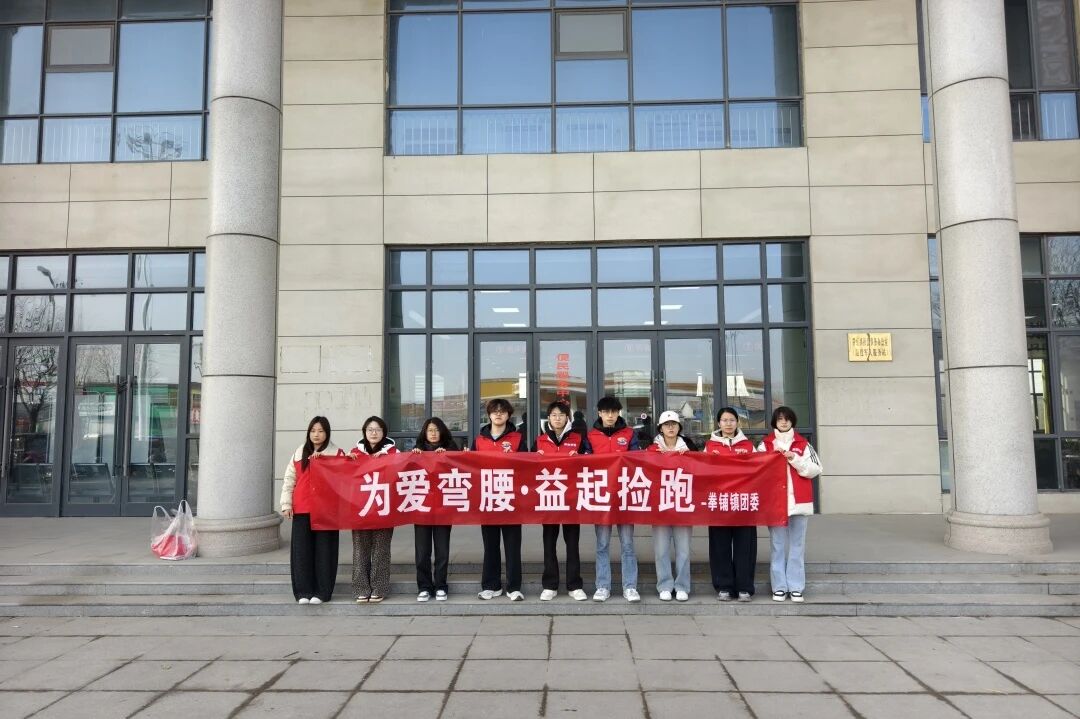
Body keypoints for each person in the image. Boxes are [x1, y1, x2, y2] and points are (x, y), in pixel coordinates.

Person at [758, 406, 822, 603]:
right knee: (777, 546)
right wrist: (772, 458)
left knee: (797, 546)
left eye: (787, 419)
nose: (783, 422)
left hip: (799, 503)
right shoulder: (765, 444)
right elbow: (757, 471)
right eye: (780, 419)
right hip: (775, 504)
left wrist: (793, 458)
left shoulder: (803, 444)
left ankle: (796, 587)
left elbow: (815, 469)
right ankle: (779, 587)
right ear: (775, 422)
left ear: (792, 421)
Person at [280, 416, 345, 605]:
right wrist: (286, 504)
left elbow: (344, 479)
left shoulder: (337, 453)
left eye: (321, 431)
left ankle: (322, 592)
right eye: (313, 431)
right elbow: (289, 479)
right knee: (301, 552)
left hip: (326, 511)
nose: (316, 435)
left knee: (325, 551)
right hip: (302, 508)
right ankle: (303, 591)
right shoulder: (299, 452)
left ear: (327, 433)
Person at [534, 400, 591, 602]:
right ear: (548, 418)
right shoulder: (540, 440)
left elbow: (591, 462)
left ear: (568, 417)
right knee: (549, 543)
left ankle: (574, 585)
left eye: (561, 415)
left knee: (572, 543)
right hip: (548, 498)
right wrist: (535, 458)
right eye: (554, 415)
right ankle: (550, 585)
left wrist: (582, 457)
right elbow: (528, 467)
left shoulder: (578, 438)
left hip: (571, 498)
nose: (557, 418)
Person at [471, 398, 528, 601]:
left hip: (511, 499)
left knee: (513, 547)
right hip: (488, 498)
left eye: (502, 411)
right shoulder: (479, 440)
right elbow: (470, 468)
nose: (498, 414)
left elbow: (526, 467)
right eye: (494, 411)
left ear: (508, 415)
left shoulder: (517, 439)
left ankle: (514, 587)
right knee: (490, 546)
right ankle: (491, 585)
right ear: (488, 415)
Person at [587, 395, 641, 603]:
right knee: (602, 544)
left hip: (624, 496)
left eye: (613, 412)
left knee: (627, 544)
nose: (610, 415)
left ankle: (630, 586)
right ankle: (603, 586)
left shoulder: (629, 434)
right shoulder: (591, 436)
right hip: (601, 497)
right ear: (599, 413)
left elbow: (637, 460)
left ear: (619, 413)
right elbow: (584, 463)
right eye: (606, 412)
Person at [705, 407, 758, 603]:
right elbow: (702, 472)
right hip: (719, 504)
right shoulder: (710, 446)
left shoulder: (748, 445)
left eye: (732, 420)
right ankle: (724, 586)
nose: (728, 424)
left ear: (738, 422)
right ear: (718, 423)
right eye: (724, 420)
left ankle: (744, 587)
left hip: (743, 504)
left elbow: (759, 470)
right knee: (720, 547)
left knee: (745, 547)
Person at [647, 410, 698, 601]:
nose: (670, 427)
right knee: (661, 549)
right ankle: (665, 585)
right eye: (666, 425)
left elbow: (700, 471)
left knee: (683, 549)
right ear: (660, 428)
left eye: (674, 424)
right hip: (660, 505)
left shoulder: (689, 447)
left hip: (683, 504)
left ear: (679, 427)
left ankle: (682, 585)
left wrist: (690, 458)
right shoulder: (652, 449)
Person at [349, 415, 397, 604]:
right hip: (360, 509)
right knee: (360, 549)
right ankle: (361, 588)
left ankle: (379, 587)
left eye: (377, 429)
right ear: (364, 432)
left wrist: (387, 460)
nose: (374, 433)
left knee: (381, 550)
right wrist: (347, 461)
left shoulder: (393, 452)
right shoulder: (354, 453)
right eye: (370, 429)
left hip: (384, 508)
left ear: (384, 432)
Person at [410, 417, 458, 602]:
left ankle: (441, 586)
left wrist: (447, 456)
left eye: (437, 430)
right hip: (422, 507)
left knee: (442, 551)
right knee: (422, 552)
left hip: (443, 507)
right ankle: (424, 586)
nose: (433, 433)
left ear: (442, 432)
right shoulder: (417, 451)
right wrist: (415, 456)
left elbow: (460, 472)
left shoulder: (451, 449)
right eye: (430, 430)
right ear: (424, 432)